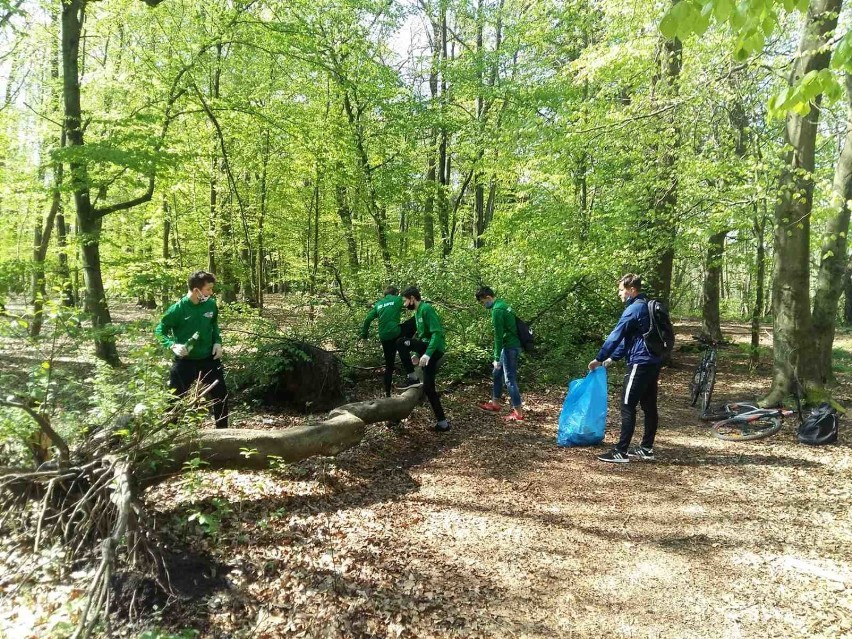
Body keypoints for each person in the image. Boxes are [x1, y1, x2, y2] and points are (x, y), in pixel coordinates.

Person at [588, 274, 661, 463]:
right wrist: (613, 357)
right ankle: (646, 448)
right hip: (653, 361)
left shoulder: (633, 308)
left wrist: (599, 358)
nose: (620, 294)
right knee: (649, 406)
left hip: (639, 362)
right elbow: (632, 337)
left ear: (631, 290)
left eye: (622, 290)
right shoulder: (645, 305)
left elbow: (616, 335)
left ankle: (621, 451)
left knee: (627, 406)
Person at [155, 270, 229, 429]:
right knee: (174, 399)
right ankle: (170, 437)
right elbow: (160, 331)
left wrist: (218, 342)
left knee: (221, 396)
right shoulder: (177, 309)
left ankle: (223, 433)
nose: (211, 292)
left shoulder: (210, 304)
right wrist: (173, 345)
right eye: (208, 289)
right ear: (196, 290)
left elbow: (214, 325)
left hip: (209, 359)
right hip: (185, 361)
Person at [396, 286, 450, 432]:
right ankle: (443, 423)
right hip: (426, 349)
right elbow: (421, 337)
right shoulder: (418, 312)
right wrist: (418, 355)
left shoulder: (426, 309)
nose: (405, 304)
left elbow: (436, 333)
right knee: (428, 388)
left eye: (405, 301)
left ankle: (412, 377)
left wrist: (427, 354)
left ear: (412, 298)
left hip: (434, 349)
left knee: (401, 342)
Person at [474, 287, 524, 422]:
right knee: (496, 373)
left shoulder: (497, 310)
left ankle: (518, 413)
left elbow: (498, 337)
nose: (483, 305)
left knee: (510, 380)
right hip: (511, 345)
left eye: (483, 302)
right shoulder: (502, 304)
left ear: (488, 298)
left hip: (509, 347)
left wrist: (496, 358)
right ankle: (495, 403)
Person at [360, 285, 416, 397]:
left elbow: (367, 319)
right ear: (395, 293)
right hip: (396, 333)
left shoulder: (379, 304)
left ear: (385, 294)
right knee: (415, 320)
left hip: (384, 338)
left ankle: (387, 394)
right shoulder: (397, 299)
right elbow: (411, 303)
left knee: (389, 365)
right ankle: (408, 343)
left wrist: (364, 335)